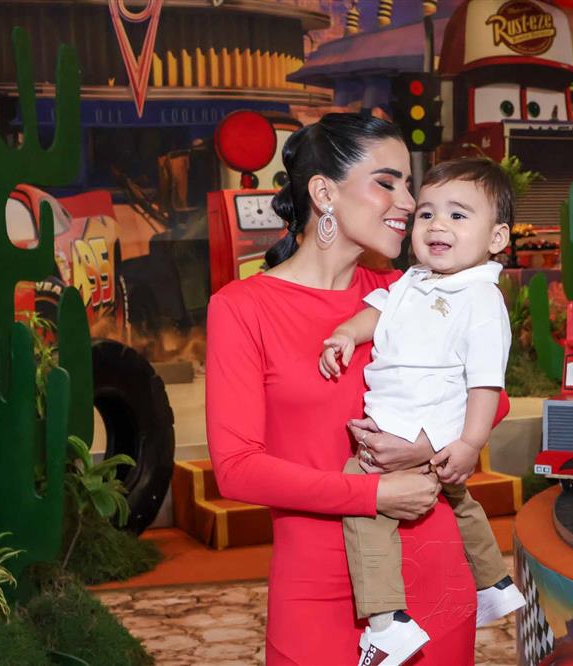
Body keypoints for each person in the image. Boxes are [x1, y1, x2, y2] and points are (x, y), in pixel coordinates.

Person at [206, 114, 491, 665]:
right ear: (324, 193)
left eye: (408, 184)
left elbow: (489, 391)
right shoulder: (242, 308)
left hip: (431, 574)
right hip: (317, 592)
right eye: (387, 183)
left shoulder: (408, 292)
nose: (408, 202)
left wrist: (424, 443)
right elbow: (237, 468)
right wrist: (372, 495)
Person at [319, 158, 525, 665]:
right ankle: (495, 585)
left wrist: (470, 443)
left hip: (423, 426)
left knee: (364, 501)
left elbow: (485, 383)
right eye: (427, 213)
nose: (437, 225)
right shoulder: (414, 280)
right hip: (412, 422)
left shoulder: (480, 299)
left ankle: (387, 621)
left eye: (458, 215)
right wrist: (346, 332)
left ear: (497, 237)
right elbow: (378, 311)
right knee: (459, 500)